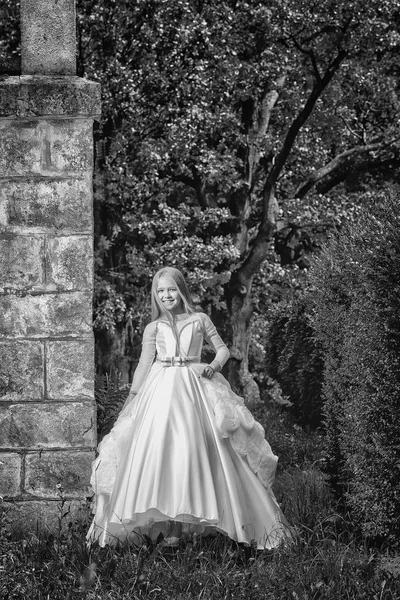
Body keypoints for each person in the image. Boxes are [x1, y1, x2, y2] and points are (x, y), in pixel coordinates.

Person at [87, 266, 290, 549]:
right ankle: (168, 522)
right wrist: (132, 398)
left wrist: (213, 366)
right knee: (160, 449)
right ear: (155, 296)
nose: (166, 296)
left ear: (181, 290)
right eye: (160, 291)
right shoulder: (153, 327)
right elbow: (144, 364)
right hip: (160, 390)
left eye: (171, 289)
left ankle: (197, 518)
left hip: (193, 386)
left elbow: (223, 350)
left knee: (194, 448)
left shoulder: (199, 319)